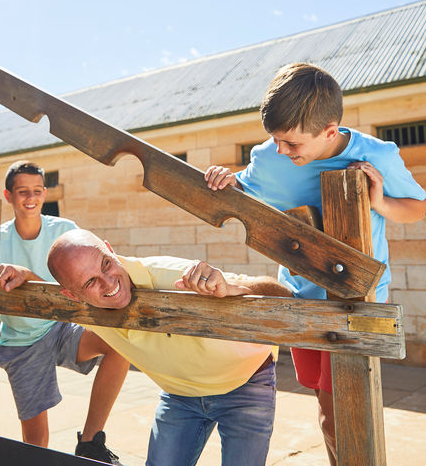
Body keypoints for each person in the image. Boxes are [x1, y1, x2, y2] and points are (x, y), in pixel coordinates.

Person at [204, 62, 426, 465]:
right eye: (275, 140)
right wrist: (228, 179)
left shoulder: (377, 154)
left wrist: (380, 202)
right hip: (300, 294)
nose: (282, 152)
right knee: (326, 410)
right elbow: (247, 186)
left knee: (341, 408)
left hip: (357, 297)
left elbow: (417, 208)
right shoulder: (270, 157)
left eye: (292, 143)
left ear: (329, 131)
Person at [42, 228, 293, 466]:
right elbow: (41, 295)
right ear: (74, 296)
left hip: (245, 381)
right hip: (181, 394)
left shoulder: (173, 275)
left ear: (110, 249)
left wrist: (234, 291)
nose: (109, 283)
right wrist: (23, 275)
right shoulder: (81, 307)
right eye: (90, 282)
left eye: (106, 263)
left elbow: (283, 297)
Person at [0, 161, 128, 464]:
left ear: (45, 193)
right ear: (8, 195)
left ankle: (91, 442)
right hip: (20, 341)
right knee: (37, 442)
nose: (31, 198)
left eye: (37, 191)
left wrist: (29, 276)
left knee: (121, 344)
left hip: (59, 328)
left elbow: (77, 287)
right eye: (23, 191)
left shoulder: (66, 231)